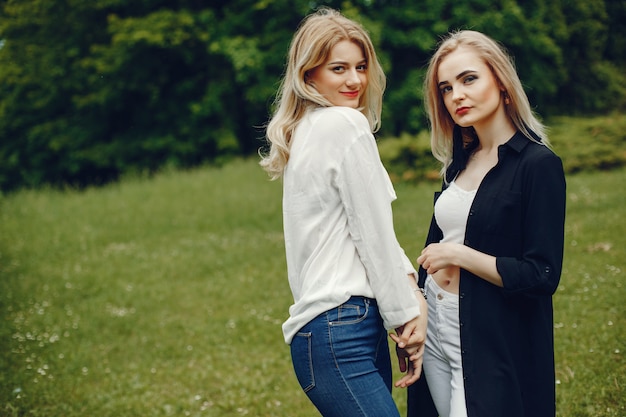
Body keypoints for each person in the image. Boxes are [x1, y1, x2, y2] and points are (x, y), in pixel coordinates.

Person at [259, 7, 428, 417]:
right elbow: (372, 235)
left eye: (361, 66)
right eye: (338, 68)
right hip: (342, 328)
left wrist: (409, 298)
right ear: (308, 74)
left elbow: (371, 231)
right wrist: (407, 317)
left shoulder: (308, 132)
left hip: (339, 329)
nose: (355, 80)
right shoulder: (343, 126)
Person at [407, 30, 566, 417]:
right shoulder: (456, 166)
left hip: (486, 337)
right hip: (437, 326)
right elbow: (432, 250)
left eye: (468, 79)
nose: (456, 95)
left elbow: (542, 274)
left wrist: (461, 255)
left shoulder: (538, 166)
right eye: (446, 88)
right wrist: (415, 309)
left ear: (502, 83)